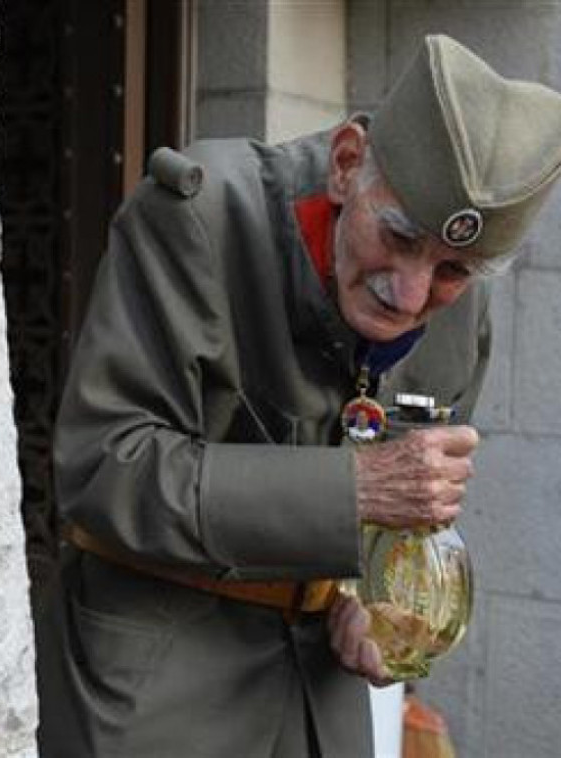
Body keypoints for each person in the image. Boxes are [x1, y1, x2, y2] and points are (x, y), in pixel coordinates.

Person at [35, 35, 561, 757]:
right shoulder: (197, 217)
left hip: (323, 698)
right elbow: (103, 468)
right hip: (155, 692)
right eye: (398, 236)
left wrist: (370, 606)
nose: (411, 295)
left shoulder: (462, 299)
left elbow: (402, 530)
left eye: (453, 270)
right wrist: (354, 489)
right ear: (346, 164)